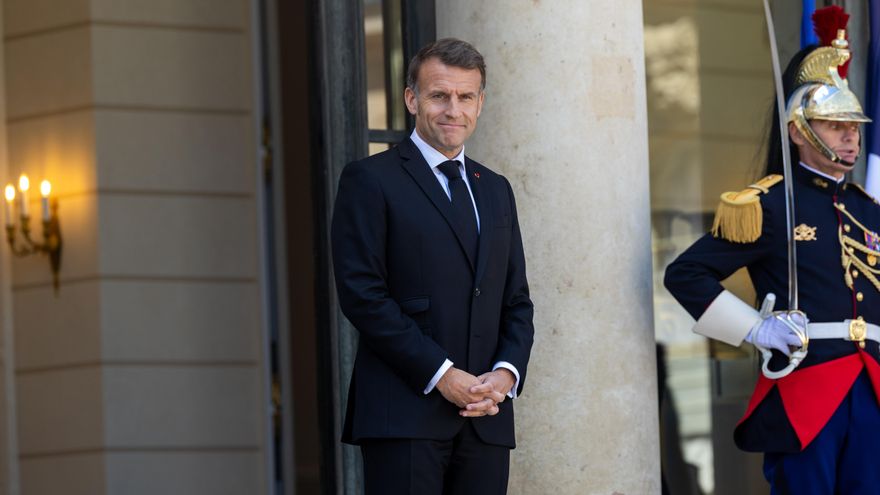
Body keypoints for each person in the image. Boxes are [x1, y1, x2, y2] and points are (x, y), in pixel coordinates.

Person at [664, 7, 880, 494]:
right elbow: (686, 273)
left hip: (872, 388)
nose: (850, 135)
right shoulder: (768, 205)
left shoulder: (871, 211)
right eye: (833, 124)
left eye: (853, 125)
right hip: (810, 389)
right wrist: (755, 328)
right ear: (799, 130)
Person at [331, 38, 534, 495]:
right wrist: (443, 375)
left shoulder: (496, 188)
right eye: (439, 95)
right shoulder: (370, 179)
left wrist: (505, 375)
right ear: (411, 99)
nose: (452, 110)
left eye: (465, 97)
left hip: (486, 417)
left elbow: (515, 299)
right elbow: (363, 296)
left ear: (480, 104)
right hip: (404, 415)